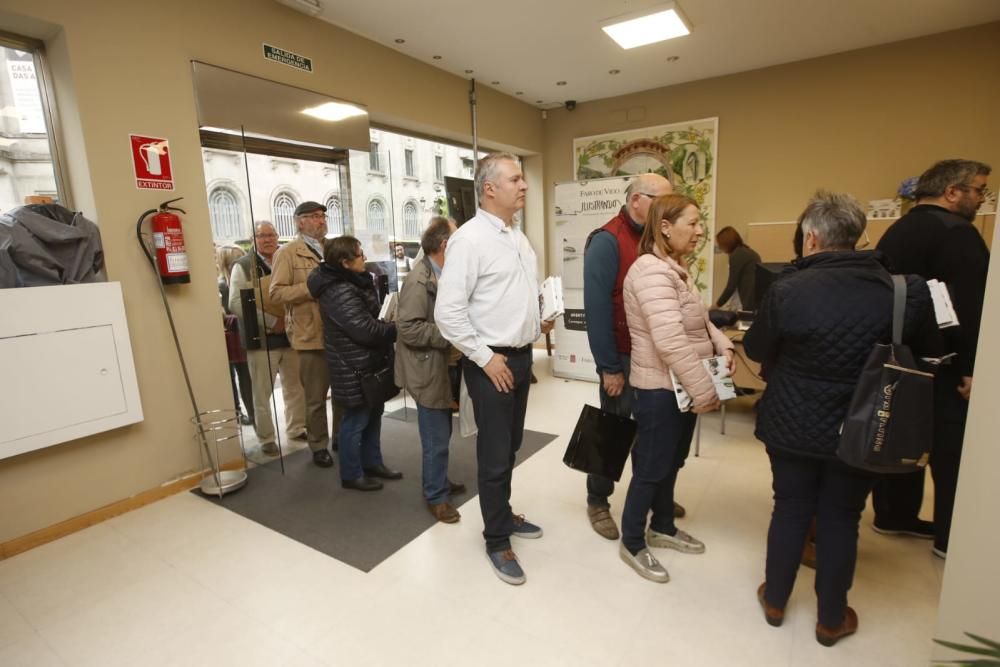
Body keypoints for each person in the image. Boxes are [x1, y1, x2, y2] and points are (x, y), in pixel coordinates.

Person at [744, 191, 937, 647]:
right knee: (841, 517)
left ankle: (775, 600)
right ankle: (831, 619)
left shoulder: (787, 290)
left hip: (792, 425)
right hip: (865, 426)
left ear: (810, 239)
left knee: (789, 509)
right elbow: (924, 354)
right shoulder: (903, 291)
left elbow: (753, 350)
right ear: (859, 235)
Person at [435, 152, 554, 586]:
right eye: (516, 179)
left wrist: (535, 319)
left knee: (510, 445)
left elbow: (507, 297)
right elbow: (448, 314)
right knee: (494, 452)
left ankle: (503, 514)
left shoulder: (517, 238)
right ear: (490, 188)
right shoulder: (469, 240)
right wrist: (485, 358)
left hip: (520, 357)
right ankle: (496, 538)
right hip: (491, 362)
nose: (524, 186)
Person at [870, 159, 991, 559]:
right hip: (945, 361)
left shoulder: (895, 232)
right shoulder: (959, 234)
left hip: (898, 357)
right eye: (978, 190)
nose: (981, 198)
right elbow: (971, 307)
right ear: (952, 192)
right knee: (950, 449)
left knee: (898, 435)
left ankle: (892, 514)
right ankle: (948, 537)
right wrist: (971, 367)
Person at [618, 193, 731, 583]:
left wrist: (721, 341)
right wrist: (704, 389)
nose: (701, 231)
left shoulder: (675, 268)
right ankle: (632, 541)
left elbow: (696, 319)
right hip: (659, 390)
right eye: (693, 223)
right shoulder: (651, 272)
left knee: (671, 462)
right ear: (665, 227)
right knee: (651, 468)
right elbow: (670, 341)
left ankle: (662, 526)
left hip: (679, 387)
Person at [583, 172, 676, 541]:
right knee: (611, 429)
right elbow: (597, 310)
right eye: (661, 200)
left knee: (651, 431)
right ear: (636, 199)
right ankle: (597, 500)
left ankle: (649, 494)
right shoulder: (606, 241)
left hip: (652, 355)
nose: (668, 209)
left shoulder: (655, 239)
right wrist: (608, 367)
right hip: (620, 357)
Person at [308, 236, 401, 491]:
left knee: (373, 414)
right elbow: (364, 330)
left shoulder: (352, 281)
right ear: (345, 262)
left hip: (367, 362)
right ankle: (351, 473)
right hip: (353, 365)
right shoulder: (337, 289)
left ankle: (372, 463)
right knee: (356, 420)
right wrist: (395, 328)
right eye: (360, 255)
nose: (365, 258)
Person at [395, 216, 466, 521]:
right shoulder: (418, 280)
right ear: (445, 245)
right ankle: (436, 495)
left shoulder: (442, 273)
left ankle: (440, 481)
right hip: (427, 369)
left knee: (442, 430)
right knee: (435, 436)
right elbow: (408, 328)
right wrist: (450, 334)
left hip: (441, 364)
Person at [270, 201, 341, 468]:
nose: (321, 220)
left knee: (343, 393)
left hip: (338, 332)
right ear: (300, 222)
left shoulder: (332, 249)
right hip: (310, 336)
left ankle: (340, 439)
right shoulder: (288, 253)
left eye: (323, 216)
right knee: (315, 398)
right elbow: (276, 293)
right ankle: (318, 445)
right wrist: (311, 288)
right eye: (314, 216)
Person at [229, 221, 307, 457]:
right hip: (261, 339)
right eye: (261, 235)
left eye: (271, 235)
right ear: (253, 239)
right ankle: (267, 438)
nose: (267, 239)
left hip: (291, 337)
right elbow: (236, 303)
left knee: (296, 388)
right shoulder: (242, 266)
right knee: (262, 392)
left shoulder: (285, 259)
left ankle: (296, 428)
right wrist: (273, 322)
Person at [217, 244, 254, 426]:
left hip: (236, 336)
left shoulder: (225, 284)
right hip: (235, 336)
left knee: (241, 377)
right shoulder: (224, 285)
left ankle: (244, 413)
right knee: (239, 377)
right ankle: (242, 413)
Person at [714, 226, 762, 310]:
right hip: (755, 300)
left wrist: (716, 305)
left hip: (748, 302)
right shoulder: (747, 252)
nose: (719, 247)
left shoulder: (737, 255)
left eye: (720, 244)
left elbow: (731, 286)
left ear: (726, 243)